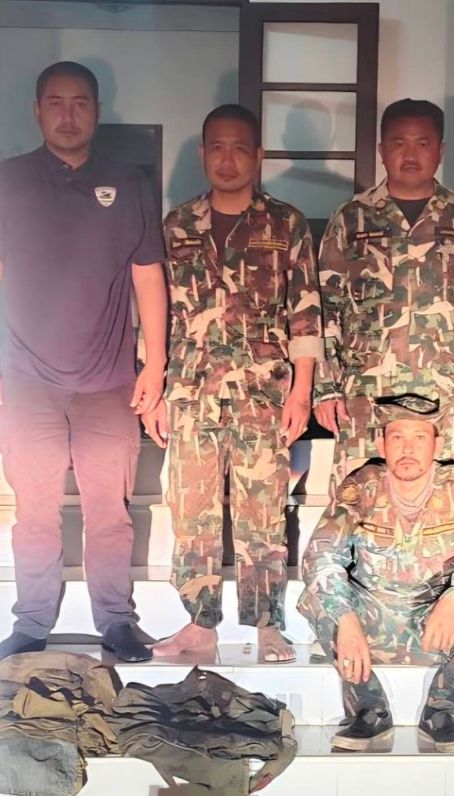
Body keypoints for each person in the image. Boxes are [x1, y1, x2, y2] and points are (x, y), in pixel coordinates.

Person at [0, 61, 169, 664]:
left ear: (97, 111)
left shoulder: (128, 182)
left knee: (110, 513)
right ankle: (32, 623)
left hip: (108, 382)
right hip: (27, 380)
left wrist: (155, 364)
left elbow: (148, 277)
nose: (67, 114)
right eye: (55, 102)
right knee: (34, 512)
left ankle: (116, 621)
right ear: (37, 111)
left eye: (80, 102)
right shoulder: (10, 180)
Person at [152, 104, 322, 665]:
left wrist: (302, 392)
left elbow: (305, 314)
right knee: (191, 513)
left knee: (264, 514)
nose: (227, 160)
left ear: (258, 156)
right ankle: (199, 625)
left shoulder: (286, 225)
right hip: (191, 393)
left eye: (239, 148)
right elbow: (155, 313)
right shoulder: (177, 226)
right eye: (217, 148)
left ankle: (268, 624)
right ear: (203, 154)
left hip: (263, 396)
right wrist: (153, 387)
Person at [297, 394, 454, 753]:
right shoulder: (362, 486)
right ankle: (368, 710)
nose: (407, 449)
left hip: (433, 618)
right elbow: (320, 555)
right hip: (374, 614)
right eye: (397, 438)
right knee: (320, 597)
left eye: (419, 438)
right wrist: (346, 620)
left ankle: (441, 712)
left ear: (436, 446)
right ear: (382, 445)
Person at [314, 99, 454, 491]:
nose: (410, 153)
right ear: (382, 150)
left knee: (442, 497)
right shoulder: (351, 218)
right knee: (361, 495)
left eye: (422, 143)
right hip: (367, 391)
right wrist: (325, 387)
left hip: (444, 391)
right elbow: (326, 308)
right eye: (398, 143)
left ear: (441, 150)